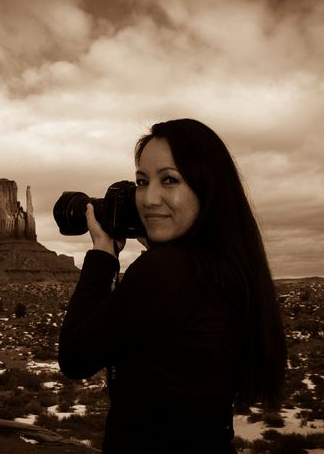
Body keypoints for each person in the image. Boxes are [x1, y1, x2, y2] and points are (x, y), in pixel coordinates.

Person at [59, 119, 287, 453]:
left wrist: (102, 254)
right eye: (141, 181)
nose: (149, 199)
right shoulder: (229, 267)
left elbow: (75, 358)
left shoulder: (167, 269)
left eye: (170, 180)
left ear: (206, 186)